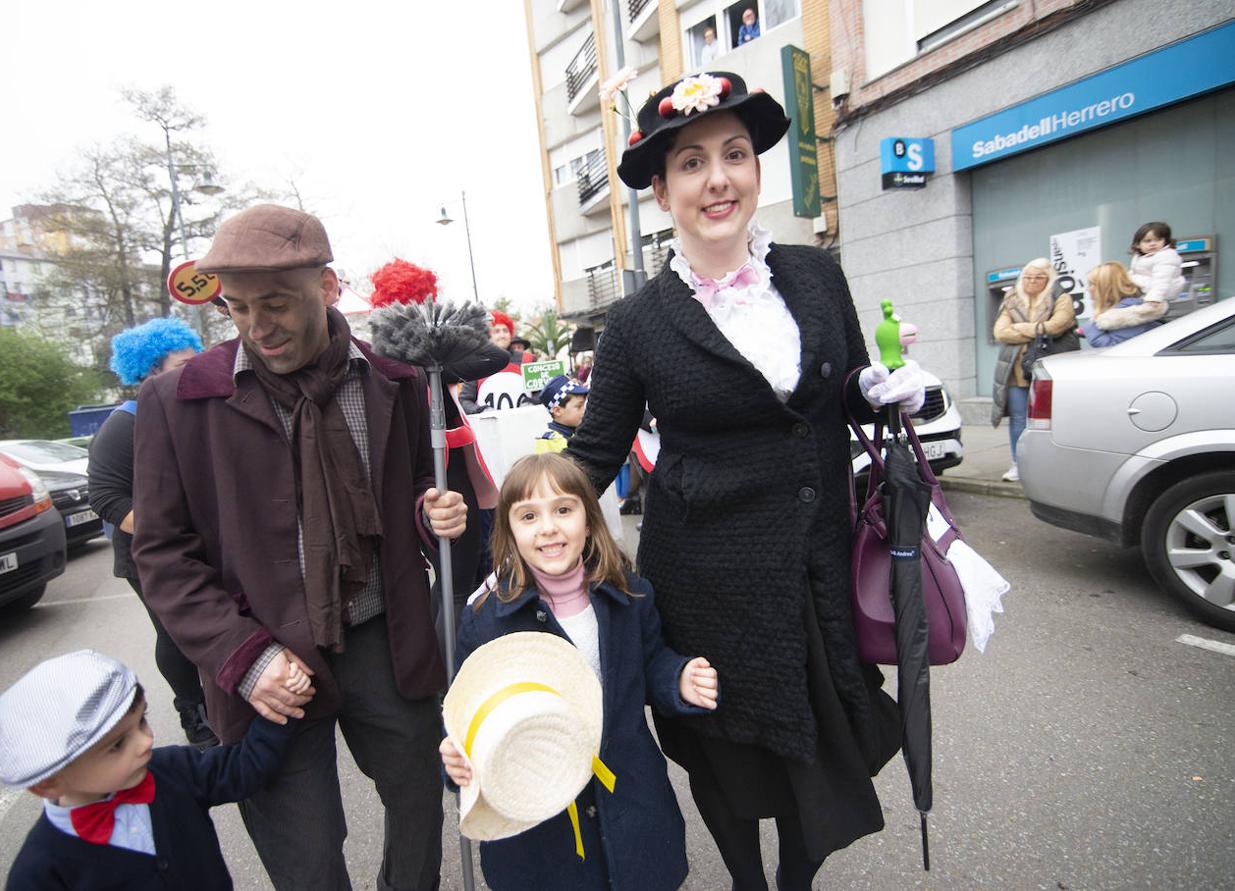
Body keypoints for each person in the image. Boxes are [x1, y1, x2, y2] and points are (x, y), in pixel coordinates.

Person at [565, 72, 924, 890]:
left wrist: (877, 390)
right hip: (704, 587)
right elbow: (594, 453)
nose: (717, 178)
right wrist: (516, 529)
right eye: (690, 164)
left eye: (734, 154)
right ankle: (747, 884)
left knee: (822, 749)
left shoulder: (815, 275)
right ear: (661, 191)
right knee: (723, 759)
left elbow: (845, 382)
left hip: (815, 568)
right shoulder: (635, 322)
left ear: (758, 169)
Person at [132, 204, 468, 890]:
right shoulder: (179, 400)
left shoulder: (397, 380)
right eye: (238, 308)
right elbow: (163, 554)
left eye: (278, 303)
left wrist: (431, 510)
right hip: (266, 659)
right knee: (307, 857)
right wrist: (242, 657)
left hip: (385, 640)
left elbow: (431, 487)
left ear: (328, 287)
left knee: (416, 807)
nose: (258, 326)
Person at [440, 453, 719, 890]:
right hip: (538, 821)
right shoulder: (488, 620)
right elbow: (468, 716)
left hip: (631, 802)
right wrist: (458, 761)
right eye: (529, 515)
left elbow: (649, 662)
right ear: (510, 531)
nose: (548, 527)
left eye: (563, 510)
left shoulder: (630, 595)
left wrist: (677, 678)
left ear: (588, 521)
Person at [1, 650, 300, 890]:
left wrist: (281, 706)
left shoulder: (170, 770)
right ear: (48, 782)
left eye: (141, 721)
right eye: (117, 745)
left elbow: (242, 769)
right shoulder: (40, 870)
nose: (146, 741)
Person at [89, 318, 218, 749]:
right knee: (176, 633)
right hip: (146, 553)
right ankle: (193, 710)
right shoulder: (122, 426)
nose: (193, 368)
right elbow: (106, 496)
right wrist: (163, 530)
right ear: (150, 370)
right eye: (183, 363)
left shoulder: (191, 411)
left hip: (195, 544)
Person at [991, 257, 1075, 482]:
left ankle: (1049, 465)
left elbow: (1058, 326)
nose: (1032, 281)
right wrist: (1039, 329)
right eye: (1028, 277)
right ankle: (1018, 463)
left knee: (1050, 420)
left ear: (1048, 278)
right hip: (1015, 369)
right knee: (1018, 418)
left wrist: (1020, 328)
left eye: (1039, 277)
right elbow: (1000, 332)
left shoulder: (1060, 297)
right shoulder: (1011, 297)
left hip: (1047, 367)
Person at [1091, 221, 1182, 334]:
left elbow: (1162, 280)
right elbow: (1133, 274)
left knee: (1144, 312)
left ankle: (1097, 325)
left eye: (1158, 240)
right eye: (1148, 241)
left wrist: (1154, 297)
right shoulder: (1140, 257)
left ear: (1165, 241)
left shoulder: (1166, 256)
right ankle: (1095, 325)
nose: (1153, 244)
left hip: (1160, 294)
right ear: (1138, 244)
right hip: (1148, 290)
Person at [460, 311, 531, 414]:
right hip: (490, 426)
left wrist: (532, 403)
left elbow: (540, 393)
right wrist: (480, 410)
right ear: (488, 336)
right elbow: (465, 400)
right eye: (497, 331)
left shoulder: (527, 359)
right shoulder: (476, 364)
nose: (502, 335)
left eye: (505, 331)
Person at [1082, 261, 1165, 347]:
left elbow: (1113, 349)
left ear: (1106, 288)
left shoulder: (1127, 313)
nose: (1088, 289)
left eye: (1092, 284)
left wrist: (1090, 327)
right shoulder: (1124, 308)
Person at [534, 375, 589, 454]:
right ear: (557, 411)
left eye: (584, 405)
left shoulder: (576, 432)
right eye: (579, 406)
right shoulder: (552, 443)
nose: (585, 410)